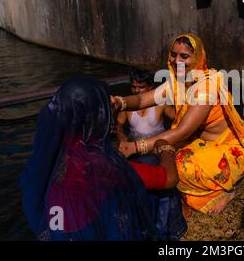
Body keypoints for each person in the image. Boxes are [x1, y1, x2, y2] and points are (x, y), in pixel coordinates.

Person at [20, 77, 186, 240]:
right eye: (103, 108)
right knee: (150, 164)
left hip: (58, 229)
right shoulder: (99, 162)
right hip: (86, 232)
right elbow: (169, 178)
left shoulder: (56, 148)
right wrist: (165, 148)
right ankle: (166, 232)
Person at [112, 34, 244, 215]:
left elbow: (182, 131)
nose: (176, 61)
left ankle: (224, 191)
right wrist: (120, 102)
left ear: (197, 58)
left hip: (227, 148)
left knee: (180, 167)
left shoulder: (206, 87)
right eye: (173, 54)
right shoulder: (177, 82)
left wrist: (135, 146)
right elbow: (143, 99)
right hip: (200, 143)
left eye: (184, 56)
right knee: (163, 158)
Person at [117, 68, 175, 141]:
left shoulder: (161, 103)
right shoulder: (126, 104)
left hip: (156, 145)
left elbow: (177, 118)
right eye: (134, 87)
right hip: (134, 146)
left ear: (150, 87)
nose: (136, 90)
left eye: (141, 87)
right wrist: (121, 135)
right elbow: (119, 126)